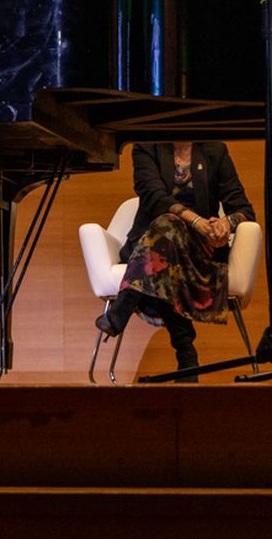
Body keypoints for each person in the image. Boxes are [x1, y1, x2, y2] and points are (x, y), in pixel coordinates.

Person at [94, 142, 256, 378]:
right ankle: (186, 353)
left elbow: (243, 209)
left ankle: (124, 306)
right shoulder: (146, 147)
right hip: (150, 240)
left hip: (196, 249)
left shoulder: (214, 150)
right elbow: (154, 197)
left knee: (166, 244)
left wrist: (225, 223)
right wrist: (194, 220)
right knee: (166, 229)